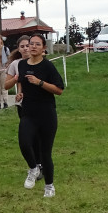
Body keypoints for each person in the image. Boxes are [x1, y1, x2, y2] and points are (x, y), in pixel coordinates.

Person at [18, 34, 65, 198]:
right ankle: (33, 168)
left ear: (43, 48)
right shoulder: (22, 65)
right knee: (24, 143)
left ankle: (49, 186)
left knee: (45, 153)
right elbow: (20, 83)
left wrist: (40, 82)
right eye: (31, 44)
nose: (33, 46)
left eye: (37, 44)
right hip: (28, 113)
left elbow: (59, 90)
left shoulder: (48, 67)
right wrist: (19, 93)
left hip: (47, 114)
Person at [3, 36, 42, 188]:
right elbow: (6, 85)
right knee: (28, 137)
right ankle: (35, 166)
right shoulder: (15, 64)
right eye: (23, 46)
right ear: (18, 49)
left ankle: (40, 165)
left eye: (28, 45)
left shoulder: (40, 62)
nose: (26, 48)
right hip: (22, 105)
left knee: (40, 136)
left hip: (40, 104)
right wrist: (16, 82)